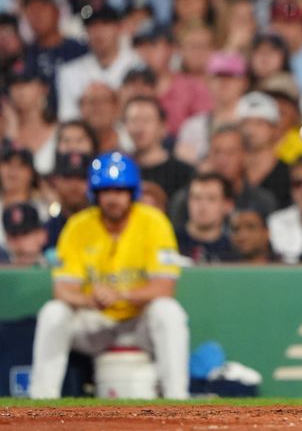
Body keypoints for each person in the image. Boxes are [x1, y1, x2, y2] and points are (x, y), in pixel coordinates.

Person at [29, 152, 189, 399]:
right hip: (95, 320)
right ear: (95, 194)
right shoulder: (78, 226)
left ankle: (177, 398)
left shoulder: (154, 222)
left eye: (119, 190)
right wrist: (91, 298)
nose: (113, 198)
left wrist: (121, 293)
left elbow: (165, 288)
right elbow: (62, 290)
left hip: (138, 321)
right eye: (106, 191)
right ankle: (41, 399)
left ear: (132, 192)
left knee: (169, 311)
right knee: (53, 312)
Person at [176, 171, 235, 263]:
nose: (202, 206)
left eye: (211, 199)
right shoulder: (171, 241)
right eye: (196, 198)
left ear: (227, 205)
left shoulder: (234, 251)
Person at [43, 151, 91, 250]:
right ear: (55, 181)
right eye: (68, 177)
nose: (74, 185)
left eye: (81, 177)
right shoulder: (49, 229)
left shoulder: (104, 223)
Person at [1, 201, 47, 266]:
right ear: (7, 239)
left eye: (25, 233)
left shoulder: (59, 266)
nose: (20, 241)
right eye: (14, 235)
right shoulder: (3, 272)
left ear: (41, 235)